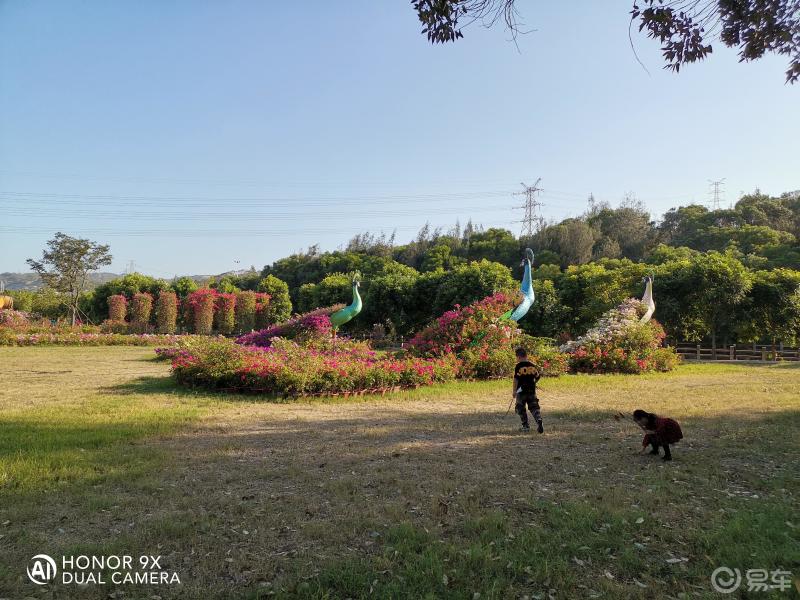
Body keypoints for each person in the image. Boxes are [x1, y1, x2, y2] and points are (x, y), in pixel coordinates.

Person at [512, 348, 543, 433]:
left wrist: (514, 391)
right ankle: (539, 419)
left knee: (520, 408)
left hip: (521, 391)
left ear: (518, 357)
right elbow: (538, 376)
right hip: (531, 391)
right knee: (534, 407)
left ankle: (525, 426)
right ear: (526, 356)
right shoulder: (532, 365)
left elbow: (516, 379)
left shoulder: (518, 366)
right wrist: (534, 383)